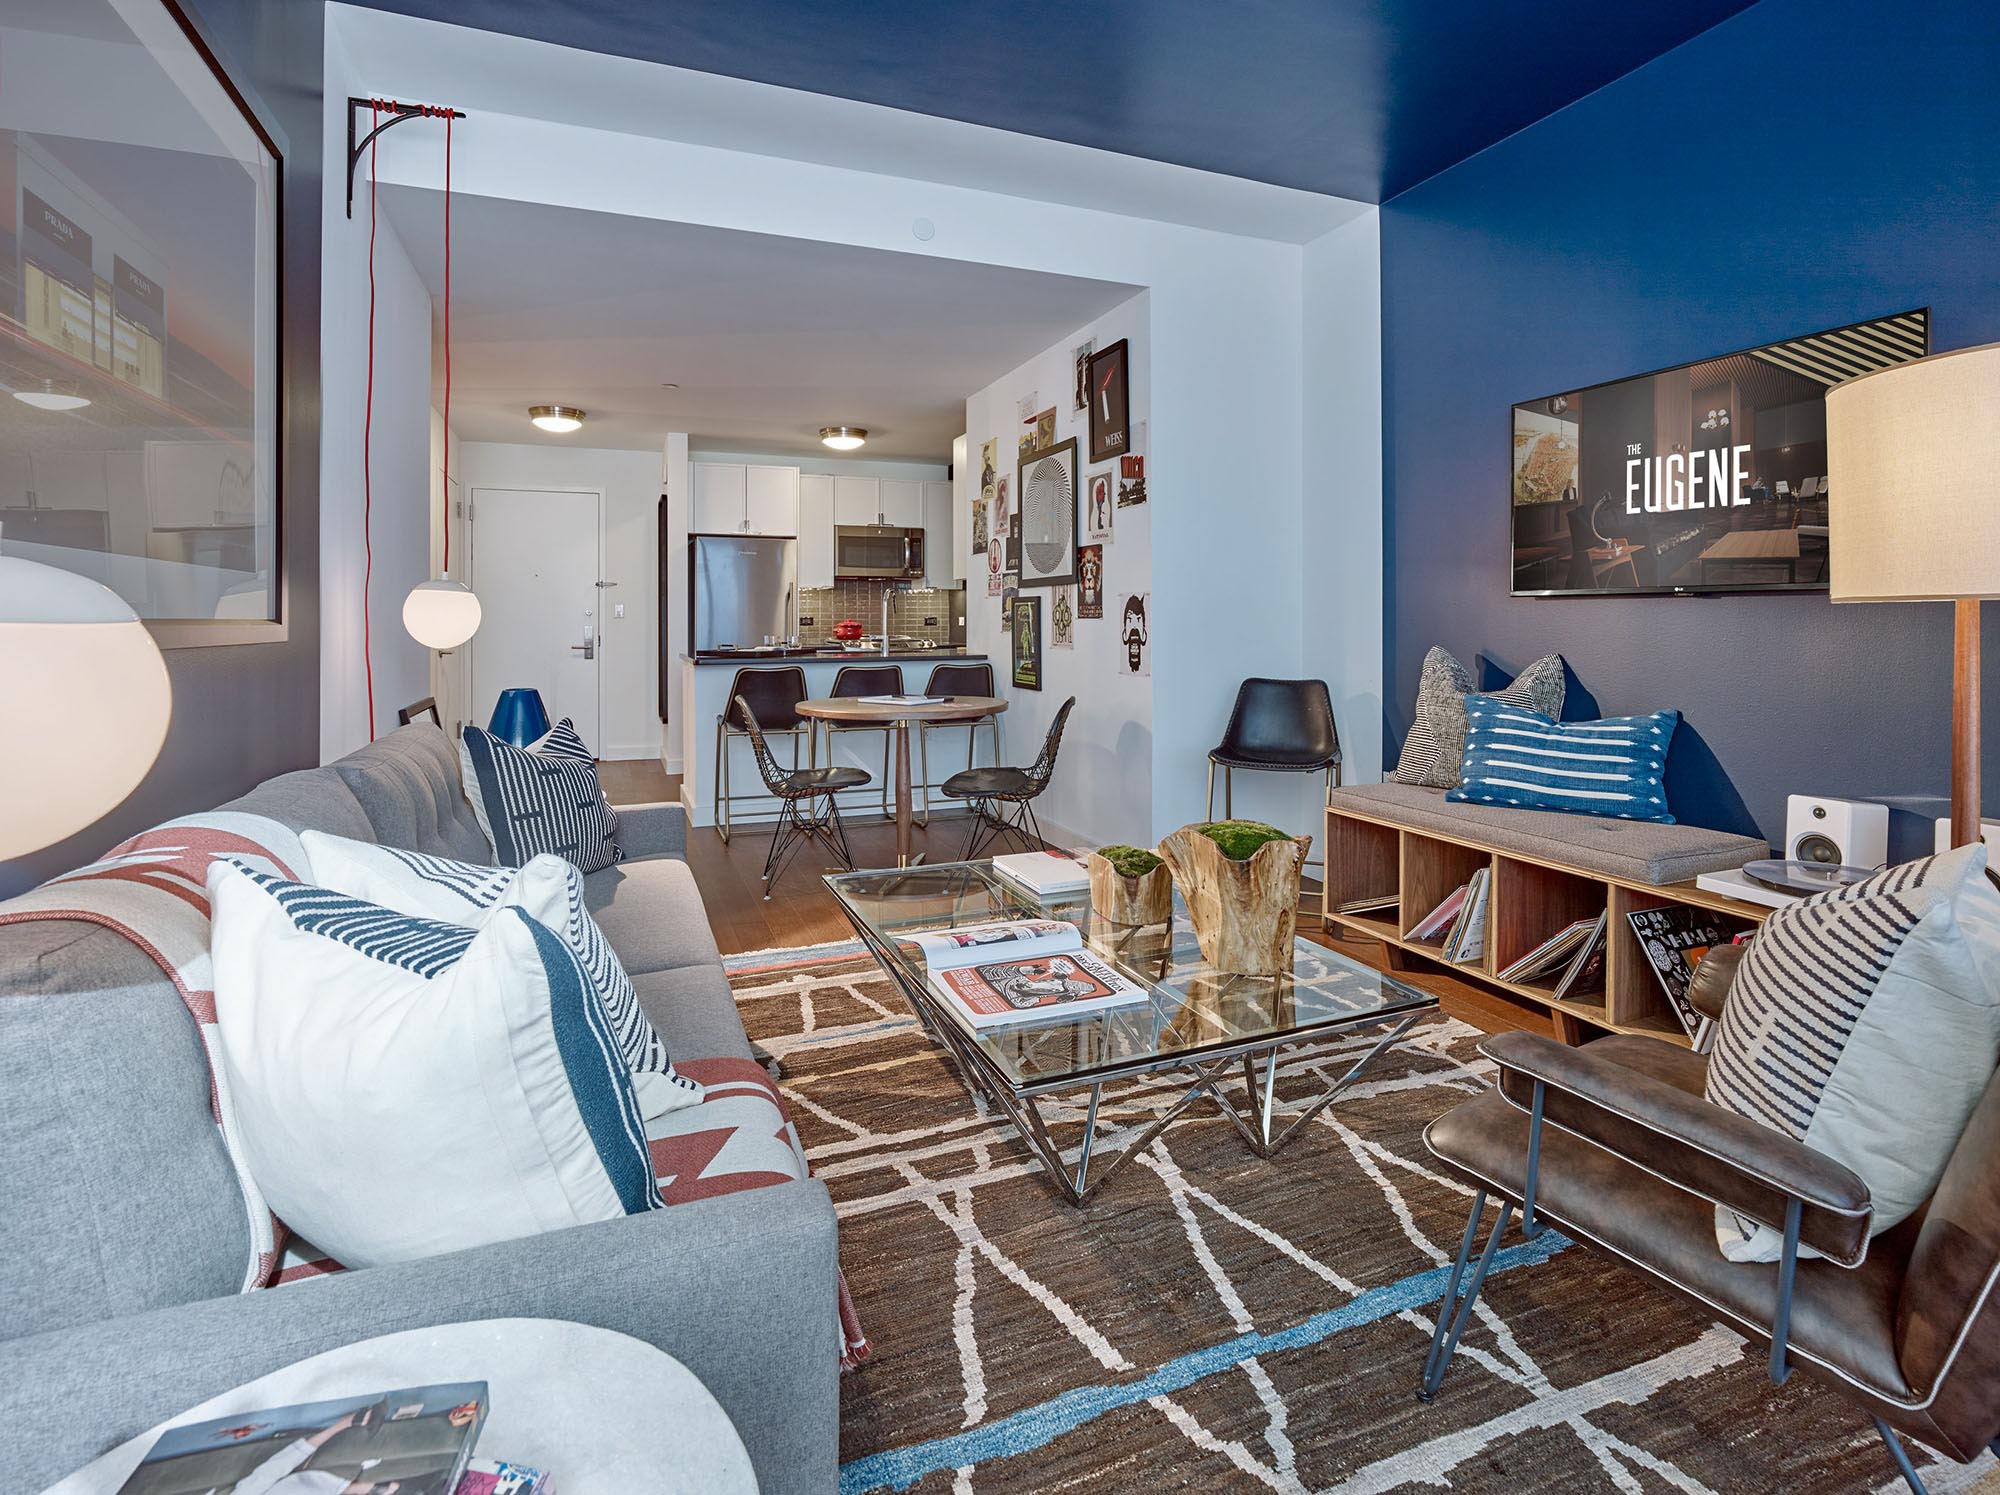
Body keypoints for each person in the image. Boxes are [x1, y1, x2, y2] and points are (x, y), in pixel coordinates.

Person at [231, 1406, 400, 1495]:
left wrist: (344, 1424)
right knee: (394, 1485)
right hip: (345, 1481)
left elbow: (275, 1467)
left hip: (324, 1472)